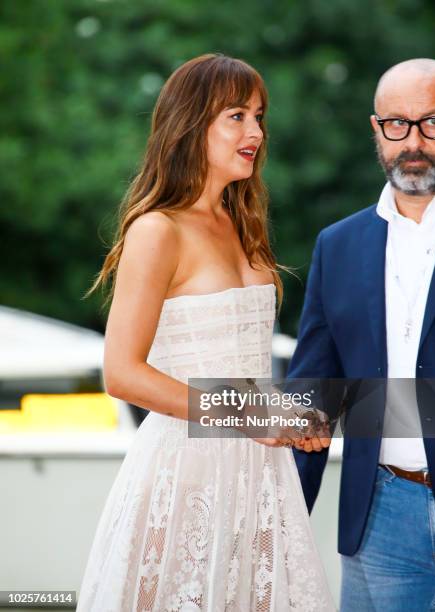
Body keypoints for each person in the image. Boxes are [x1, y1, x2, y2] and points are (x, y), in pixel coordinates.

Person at [77, 54, 335, 611]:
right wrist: (247, 415)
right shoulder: (157, 231)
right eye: (237, 116)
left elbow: (238, 374)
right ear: (192, 124)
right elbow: (122, 374)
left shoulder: (243, 225)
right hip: (185, 472)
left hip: (260, 475)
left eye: (260, 117)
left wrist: (285, 415)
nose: (257, 133)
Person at [288, 58, 435, 611]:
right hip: (381, 514)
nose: (414, 140)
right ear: (377, 130)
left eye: (433, 121)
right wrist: (280, 522)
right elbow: (313, 392)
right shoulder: (338, 245)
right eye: (397, 123)